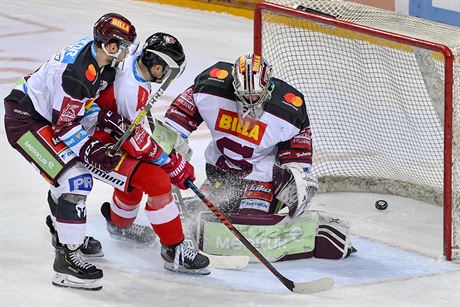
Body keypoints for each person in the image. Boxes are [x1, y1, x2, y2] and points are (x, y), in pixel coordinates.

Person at [163, 54, 356, 261]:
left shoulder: (288, 108)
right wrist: (170, 148)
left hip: (262, 181)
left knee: (250, 223)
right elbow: (172, 129)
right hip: (220, 174)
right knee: (198, 216)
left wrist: (297, 181)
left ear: (268, 88)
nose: (249, 102)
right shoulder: (211, 87)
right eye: (243, 95)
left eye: (255, 96)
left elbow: (297, 163)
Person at [3, 13, 137, 290]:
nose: (126, 52)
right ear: (110, 46)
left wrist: (100, 117)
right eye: (123, 46)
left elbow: (77, 107)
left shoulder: (96, 55)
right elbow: (64, 125)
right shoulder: (78, 73)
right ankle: (66, 261)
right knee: (76, 178)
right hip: (25, 120)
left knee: (71, 170)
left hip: (39, 112)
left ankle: (62, 229)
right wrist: (91, 148)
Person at [90, 32, 210, 274]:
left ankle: (119, 224)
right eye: (166, 71)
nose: (167, 76)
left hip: (103, 128)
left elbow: (131, 129)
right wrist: (171, 163)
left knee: (137, 174)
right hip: (91, 143)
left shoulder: (133, 57)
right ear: (156, 67)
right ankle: (174, 250)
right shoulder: (130, 92)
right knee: (156, 180)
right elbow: (134, 143)